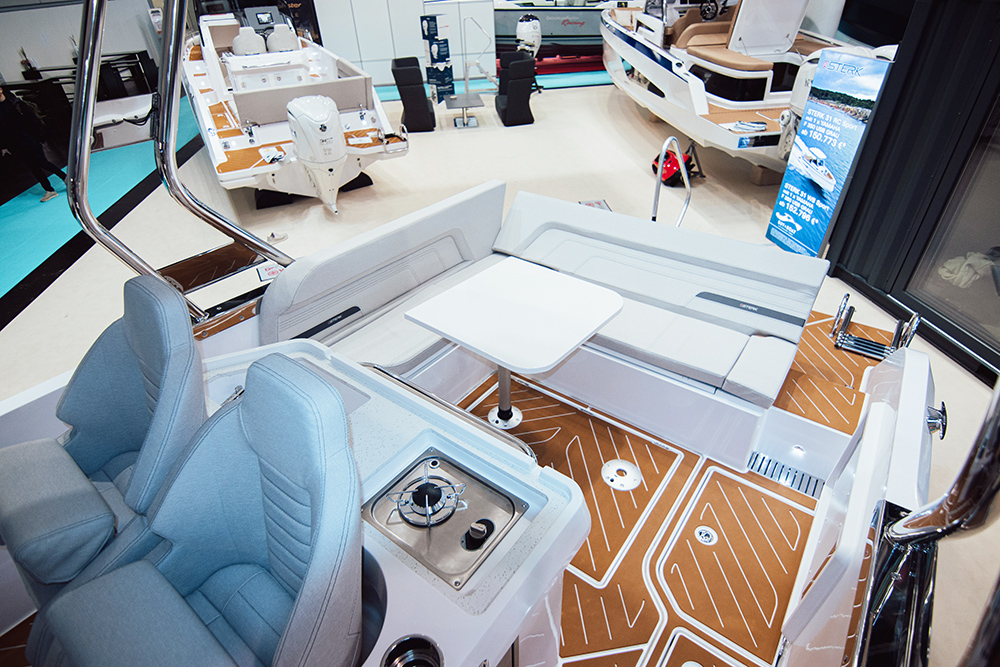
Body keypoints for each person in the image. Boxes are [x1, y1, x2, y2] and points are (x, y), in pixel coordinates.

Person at [0, 84, 66, 202]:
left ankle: (65, 177)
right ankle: (49, 190)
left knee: (42, 162)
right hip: (15, 144)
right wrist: (5, 146)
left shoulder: (17, 104)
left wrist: (38, 137)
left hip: (29, 139)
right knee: (33, 167)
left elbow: (33, 120)